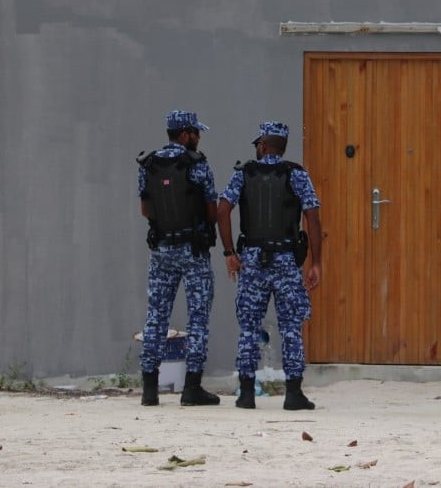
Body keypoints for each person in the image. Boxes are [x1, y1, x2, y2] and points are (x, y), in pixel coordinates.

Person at [217, 121, 322, 410]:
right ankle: (293, 394)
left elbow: (223, 210)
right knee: (291, 326)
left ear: (263, 146)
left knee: (249, 326)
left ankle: (246, 393)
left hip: (252, 260)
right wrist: (316, 262)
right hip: (286, 260)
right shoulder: (297, 174)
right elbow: (312, 217)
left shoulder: (243, 174)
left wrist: (229, 252)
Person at [136, 110, 220, 407]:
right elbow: (212, 209)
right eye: (196, 133)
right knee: (198, 316)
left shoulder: (148, 164)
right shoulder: (198, 164)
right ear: (184, 135)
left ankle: (149, 389)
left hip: (161, 250)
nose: (198, 138)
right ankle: (192, 388)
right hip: (193, 250)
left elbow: (145, 210)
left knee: (156, 315)